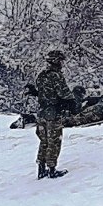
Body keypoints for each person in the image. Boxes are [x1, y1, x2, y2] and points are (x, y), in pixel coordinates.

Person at [33, 50, 76, 179]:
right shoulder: (56, 76)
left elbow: (41, 92)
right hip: (53, 114)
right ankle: (52, 169)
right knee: (54, 141)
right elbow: (63, 93)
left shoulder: (42, 75)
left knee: (44, 141)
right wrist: (71, 101)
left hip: (41, 113)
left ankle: (41, 168)